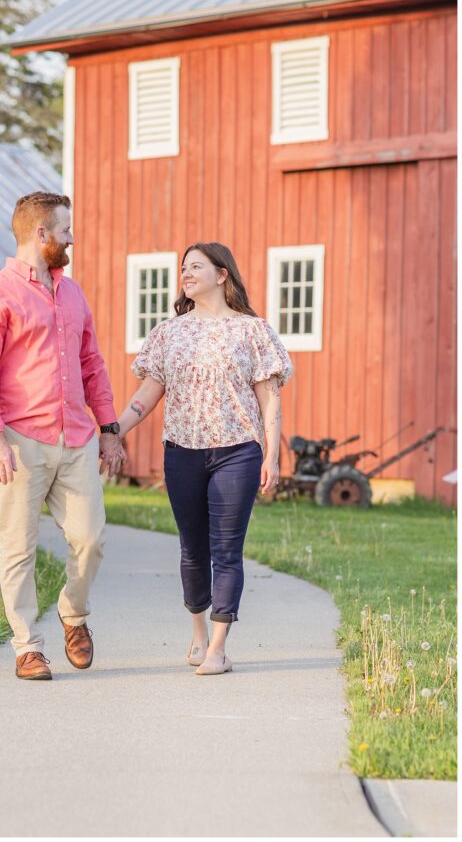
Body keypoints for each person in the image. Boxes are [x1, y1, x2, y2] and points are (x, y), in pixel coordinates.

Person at [0, 192, 125, 681]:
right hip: (19, 439)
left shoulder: (72, 293)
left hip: (75, 436)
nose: (72, 237)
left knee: (90, 538)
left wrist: (110, 428)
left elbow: (91, 362)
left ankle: (73, 614)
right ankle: (26, 646)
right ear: (41, 234)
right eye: (65, 229)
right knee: (18, 547)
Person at [116, 242, 292, 675]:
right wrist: (114, 430)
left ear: (222, 275)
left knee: (226, 552)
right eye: (183, 268)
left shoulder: (253, 331)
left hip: (238, 453)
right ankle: (197, 634)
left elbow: (268, 397)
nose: (186, 274)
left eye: (196, 267)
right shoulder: (168, 332)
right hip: (182, 452)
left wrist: (271, 453)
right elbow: (148, 393)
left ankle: (218, 648)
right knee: (192, 551)